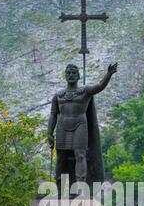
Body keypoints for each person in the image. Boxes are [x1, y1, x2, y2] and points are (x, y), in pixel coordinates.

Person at [47, 62, 118, 193]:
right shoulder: (58, 95)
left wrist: (108, 74)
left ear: (78, 76)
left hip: (80, 126)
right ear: (65, 76)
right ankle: (60, 192)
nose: (71, 75)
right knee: (61, 159)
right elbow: (53, 115)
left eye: (74, 73)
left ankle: (80, 189)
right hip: (62, 128)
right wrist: (49, 133)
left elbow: (100, 86)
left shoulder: (85, 91)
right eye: (68, 73)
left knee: (80, 156)